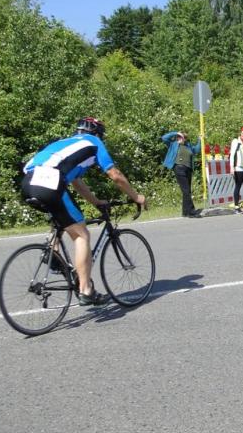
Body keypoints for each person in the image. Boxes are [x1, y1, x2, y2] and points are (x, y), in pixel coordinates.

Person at [22, 117, 146, 306]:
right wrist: (136, 197)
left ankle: (53, 254)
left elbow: (77, 183)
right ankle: (86, 290)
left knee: (62, 221)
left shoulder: (64, 144)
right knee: (81, 235)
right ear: (97, 133)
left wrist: (96, 202)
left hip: (28, 182)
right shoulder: (94, 142)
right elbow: (115, 175)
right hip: (50, 181)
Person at [162, 130, 202, 218]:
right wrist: (176, 133)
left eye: (182, 137)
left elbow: (196, 150)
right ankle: (191, 212)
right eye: (179, 137)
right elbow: (164, 138)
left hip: (188, 169)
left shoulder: (188, 145)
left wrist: (200, 140)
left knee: (187, 191)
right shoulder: (173, 144)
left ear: (185, 138)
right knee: (186, 190)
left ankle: (185, 212)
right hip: (179, 168)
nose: (179, 138)